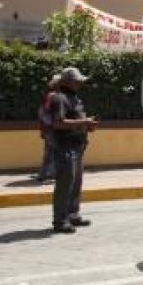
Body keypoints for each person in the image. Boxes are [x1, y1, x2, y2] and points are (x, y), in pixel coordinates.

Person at [50, 67, 98, 234]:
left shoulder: (75, 98)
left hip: (77, 146)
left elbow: (76, 120)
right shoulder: (59, 98)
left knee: (76, 182)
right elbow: (58, 123)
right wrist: (84, 122)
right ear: (67, 81)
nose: (80, 83)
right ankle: (60, 220)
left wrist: (87, 126)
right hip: (65, 146)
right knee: (65, 184)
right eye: (76, 80)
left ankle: (72, 215)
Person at [36, 74, 60, 183]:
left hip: (48, 128)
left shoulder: (50, 95)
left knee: (49, 152)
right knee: (54, 151)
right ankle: (51, 174)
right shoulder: (53, 96)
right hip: (52, 129)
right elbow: (45, 112)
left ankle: (44, 174)